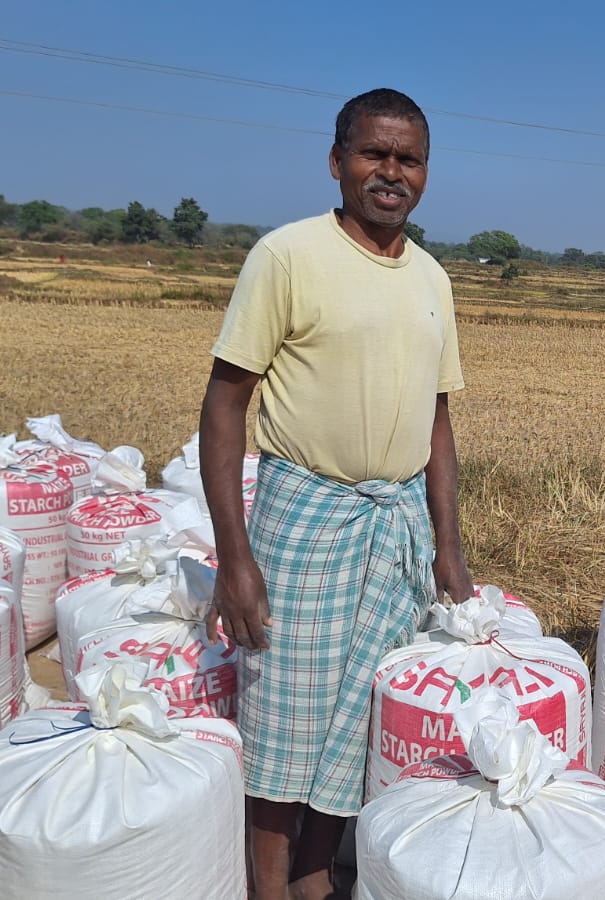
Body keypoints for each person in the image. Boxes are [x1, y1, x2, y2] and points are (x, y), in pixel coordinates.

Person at [198, 88, 471, 900]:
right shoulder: (288, 256)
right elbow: (225, 403)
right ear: (337, 161)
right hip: (305, 516)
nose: (391, 172)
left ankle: (317, 870)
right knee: (286, 713)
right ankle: (269, 880)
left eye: (408, 159)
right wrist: (234, 557)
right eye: (373, 153)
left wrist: (449, 548)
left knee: (358, 718)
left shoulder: (432, 278)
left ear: (426, 172)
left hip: (396, 525)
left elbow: (437, 420)